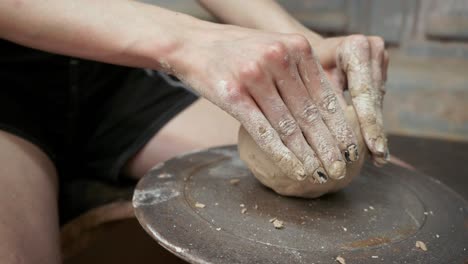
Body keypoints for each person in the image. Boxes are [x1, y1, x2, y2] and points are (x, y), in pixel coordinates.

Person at [0, 0, 389, 262]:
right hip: (10, 76)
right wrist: (192, 42)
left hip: (103, 63)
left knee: (383, 203)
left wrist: (303, 43)